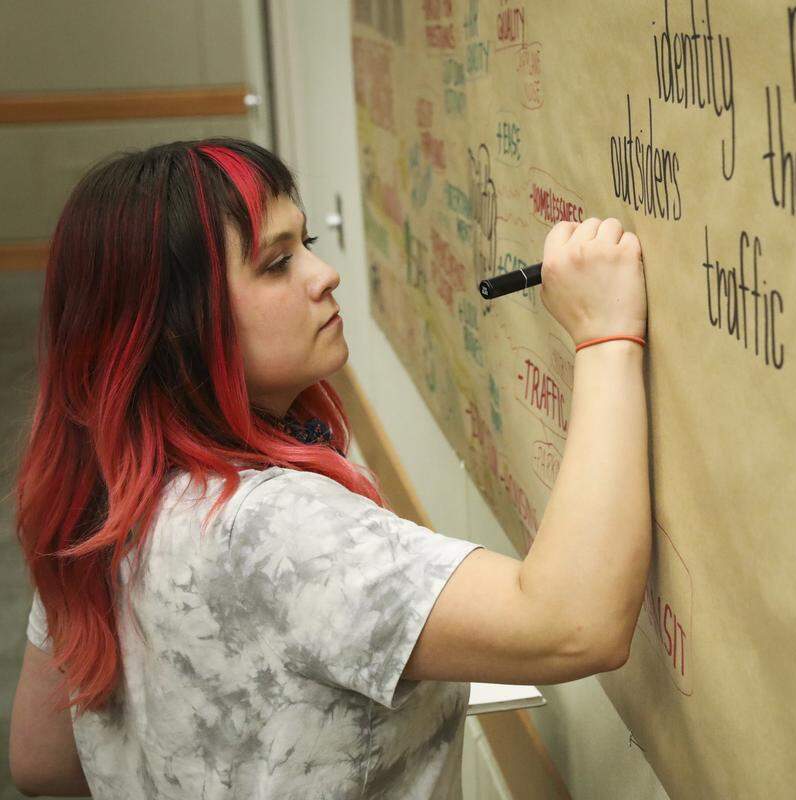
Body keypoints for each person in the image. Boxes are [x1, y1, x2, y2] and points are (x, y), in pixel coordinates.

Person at [7, 137, 650, 799]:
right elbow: (572, 625)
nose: (323, 274)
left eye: (305, 243)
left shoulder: (104, 495)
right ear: (174, 327)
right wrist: (605, 336)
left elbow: (41, 760)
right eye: (277, 263)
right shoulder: (271, 527)